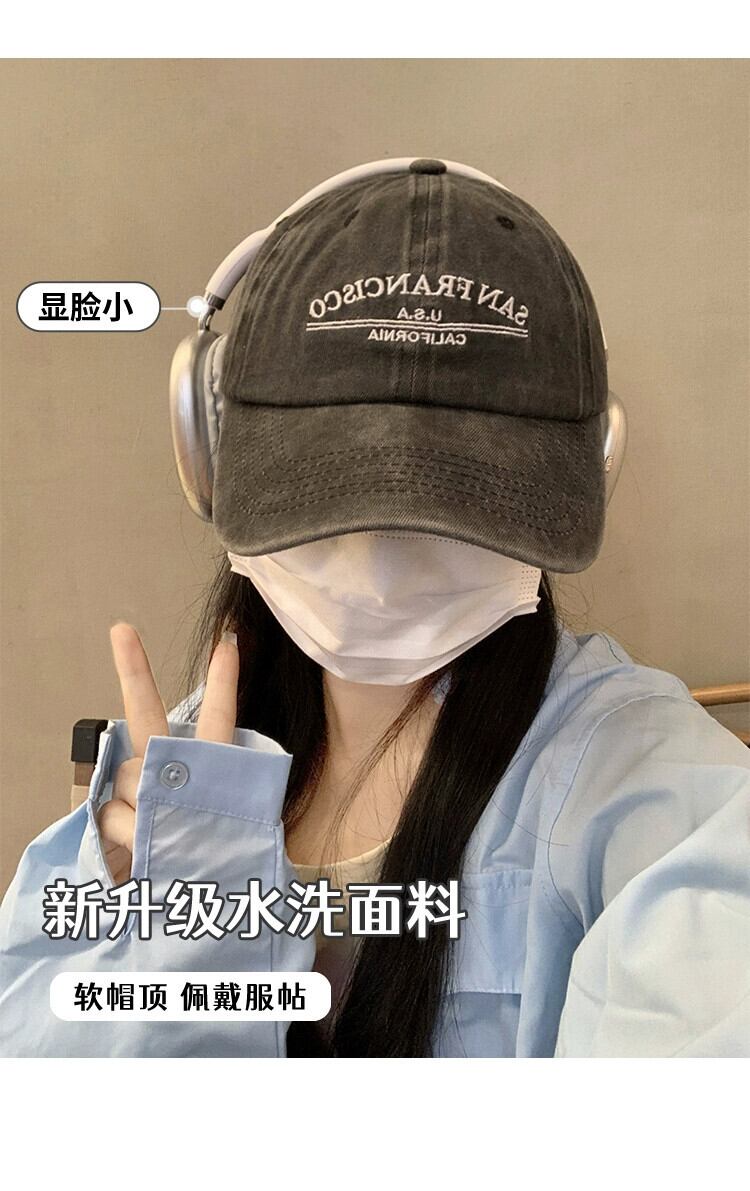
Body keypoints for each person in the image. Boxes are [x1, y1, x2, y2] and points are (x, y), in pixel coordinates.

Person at [1, 159, 748, 1059]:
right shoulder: (162, 789)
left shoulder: (655, 789)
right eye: (339, 487)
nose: (385, 558)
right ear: (210, 454)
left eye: (456, 497)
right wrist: (174, 957)